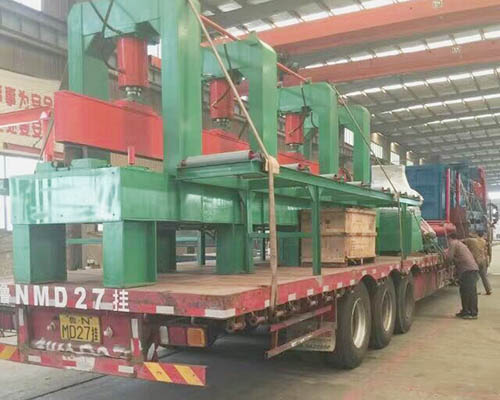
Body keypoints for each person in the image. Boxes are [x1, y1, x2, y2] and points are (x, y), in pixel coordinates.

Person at [447, 233, 479, 319]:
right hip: (472, 269)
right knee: (469, 292)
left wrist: (445, 262)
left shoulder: (453, 243)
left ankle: (470, 313)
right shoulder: (460, 244)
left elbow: (449, 257)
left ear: (449, 238)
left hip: (467, 270)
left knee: (467, 292)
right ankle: (468, 311)